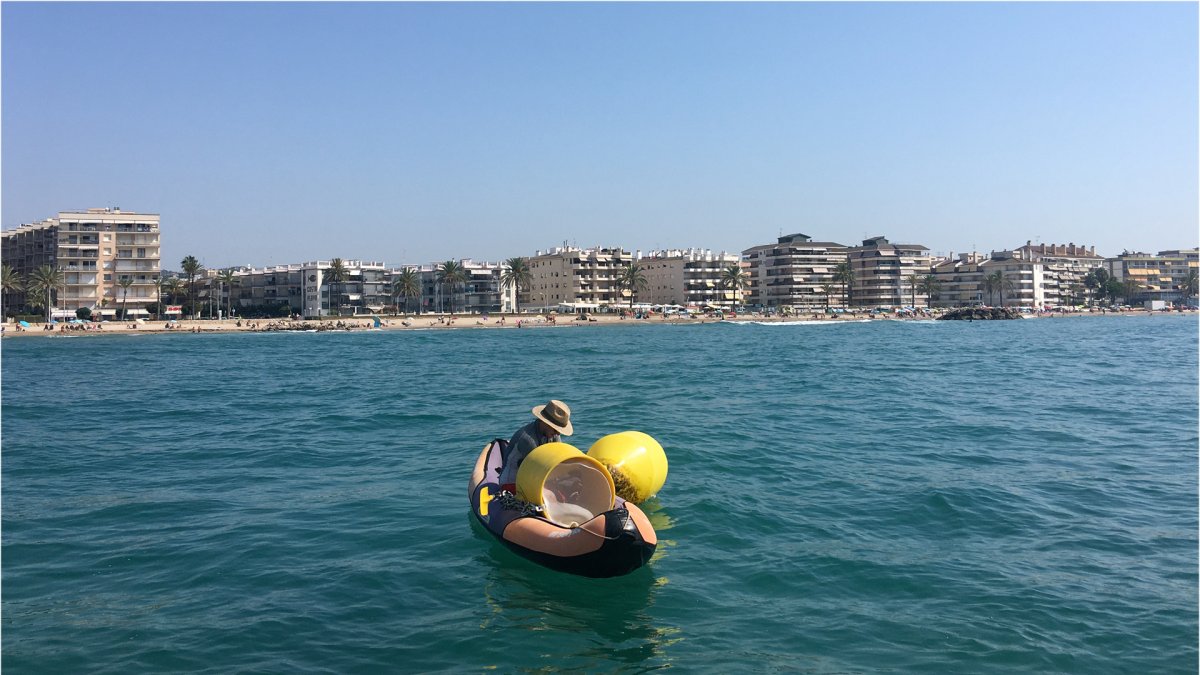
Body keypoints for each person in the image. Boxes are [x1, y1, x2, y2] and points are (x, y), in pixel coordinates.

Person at [499, 400, 573, 493]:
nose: (557, 433)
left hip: (532, 478)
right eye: (555, 429)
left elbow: (559, 457)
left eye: (559, 431)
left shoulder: (553, 434)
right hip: (511, 483)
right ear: (544, 422)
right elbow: (541, 469)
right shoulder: (527, 439)